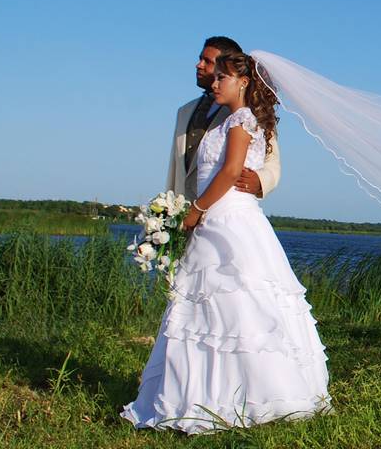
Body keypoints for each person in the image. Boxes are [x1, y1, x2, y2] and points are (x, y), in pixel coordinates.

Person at [121, 51, 332, 433]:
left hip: (228, 219)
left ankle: (249, 392)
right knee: (212, 310)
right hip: (221, 217)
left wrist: (196, 210)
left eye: (222, 77)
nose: (214, 83)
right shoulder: (234, 119)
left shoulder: (241, 119)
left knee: (237, 307)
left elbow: (232, 170)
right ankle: (209, 393)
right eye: (214, 77)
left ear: (244, 82)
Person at [167, 36, 281, 202]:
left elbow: (272, 161)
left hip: (221, 207)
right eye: (200, 59)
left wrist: (260, 181)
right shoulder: (184, 111)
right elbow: (175, 169)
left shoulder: (249, 112)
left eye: (208, 61)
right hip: (182, 214)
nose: (199, 65)